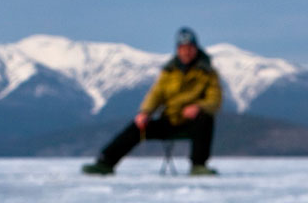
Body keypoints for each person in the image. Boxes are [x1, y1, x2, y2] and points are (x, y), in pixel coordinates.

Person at [82, 27, 222, 176]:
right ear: (177, 50)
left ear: (195, 49)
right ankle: (106, 162)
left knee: (206, 118)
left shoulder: (208, 72)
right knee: (138, 126)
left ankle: (198, 165)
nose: (186, 52)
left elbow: (215, 99)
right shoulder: (169, 71)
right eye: (182, 48)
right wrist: (145, 112)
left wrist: (198, 107)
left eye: (189, 48)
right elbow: (156, 94)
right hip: (169, 120)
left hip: (192, 123)